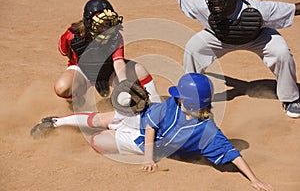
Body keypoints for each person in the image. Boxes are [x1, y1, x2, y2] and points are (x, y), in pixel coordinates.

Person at [31, 73, 273, 191]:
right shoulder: (173, 104)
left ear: (188, 101)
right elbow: (150, 126)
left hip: (137, 138)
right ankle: (56, 122)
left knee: (98, 140)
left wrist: (255, 180)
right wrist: (147, 158)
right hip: (140, 124)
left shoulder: (207, 131)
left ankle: (67, 127)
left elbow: (233, 154)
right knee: (101, 120)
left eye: (179, 95)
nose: (175, 97)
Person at [162, 0, 300, 118]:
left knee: (281, 52)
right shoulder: (202, 3)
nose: (216, 5)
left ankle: (290, 98)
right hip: (218, 37)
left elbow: (294, 9)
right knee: (193, 48)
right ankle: (191, 97)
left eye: (220, 2)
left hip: (258, 37)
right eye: (214, 1)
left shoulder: (259, 9)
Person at [54, 0, 161, 104]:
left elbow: (118, 62)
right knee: (62, 87)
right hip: (83, 71)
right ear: (89, 23)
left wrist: (124, 84)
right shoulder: (72, 35)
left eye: (108, 23)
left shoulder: (115, 36)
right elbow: (66, 52)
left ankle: (156, 103)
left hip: (109, 71)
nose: (106, 29)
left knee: (139, 70)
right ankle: (75, 98)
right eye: (101, 25)